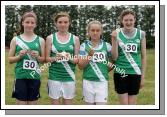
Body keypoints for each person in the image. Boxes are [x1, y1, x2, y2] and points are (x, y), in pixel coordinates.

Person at [8, 11, 45, 105]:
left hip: (35, 77)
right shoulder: (16, 39)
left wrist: (37, 56)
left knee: (33, 106)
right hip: (20, 77)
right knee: (21, 105)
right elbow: (10, 60)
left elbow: (43, 60)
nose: (30, 25)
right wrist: (19, 56)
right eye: (27, 22)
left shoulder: (40, 40)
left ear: (35, 24)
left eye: (32, 22)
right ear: (22, 23)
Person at [111, 9, 147, 105]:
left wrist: (142, 77)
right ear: (122, 21)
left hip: (135, 73)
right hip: (120, 72)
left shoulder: (141, 34)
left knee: (132, 106)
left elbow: (144, 57)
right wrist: (114, 40)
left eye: (131, 20)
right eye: (126, 20)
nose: (128, 22)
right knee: (124, 106)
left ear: (135, 20)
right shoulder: (116, 33)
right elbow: (114, 58)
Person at [45, 12, 80, 105]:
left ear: (69, 23)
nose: (63, 24)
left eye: (65, 22)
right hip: (54, 77)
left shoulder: (75, 39)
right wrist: (55, 58)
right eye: (60, 22)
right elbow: (46, 59)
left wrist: (69, 58)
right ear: (56, 23)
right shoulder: (50, 38)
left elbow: (77, 60)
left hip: (69, 77)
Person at [78, 20, 112, 105]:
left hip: (102, 82)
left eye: (97, 30)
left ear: (101, 32)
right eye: (92, 30)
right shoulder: (83, 46)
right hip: (88, 82)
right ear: (88, 32)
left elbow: (114, 61)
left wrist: (104, 70)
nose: (95, 33)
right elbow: (80, 66)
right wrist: (89, 56)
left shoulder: (107, 46)